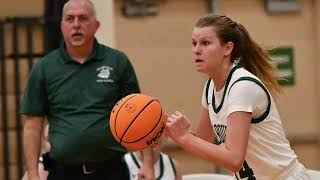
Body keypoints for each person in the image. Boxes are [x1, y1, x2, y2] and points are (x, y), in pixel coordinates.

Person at [20, 0, 155, 180]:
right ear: (62, 26)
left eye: (83, 18)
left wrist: (147, 164)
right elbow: (32, 126)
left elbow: (138, 114)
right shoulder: (44, 68)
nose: (76, 25)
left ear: (96, 25)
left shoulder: (117, 61)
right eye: (70, 19)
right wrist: (32, 174)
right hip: (62, 172)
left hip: (111, 170)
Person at [165, 14, 311, 179]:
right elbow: (203, 143)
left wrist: (184, 137)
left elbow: (234, 159)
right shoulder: (210, 87)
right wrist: (167, 126)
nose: (197, 49)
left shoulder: (241, 86)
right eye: (194, 43)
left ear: (227, 48)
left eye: (205, 43)